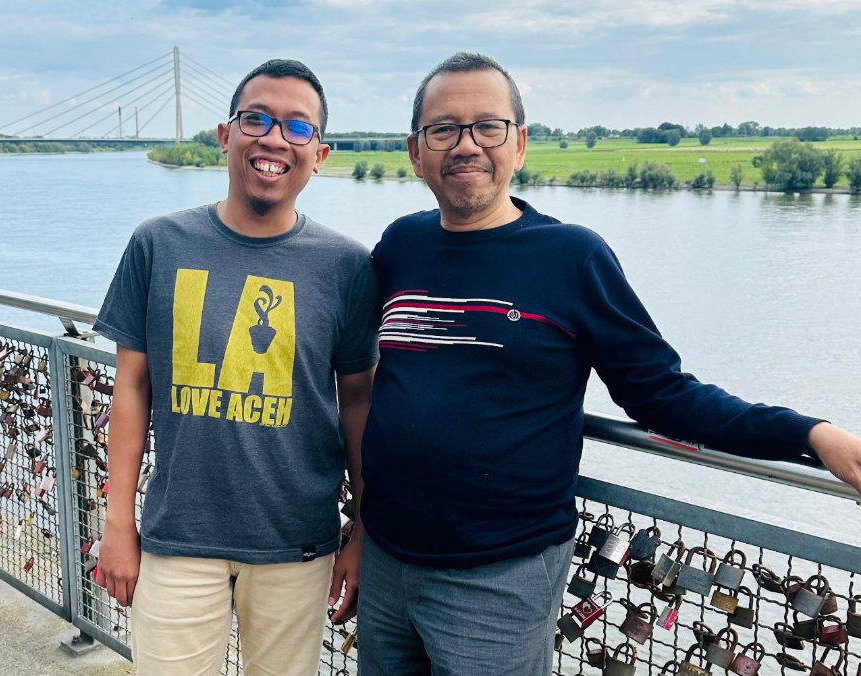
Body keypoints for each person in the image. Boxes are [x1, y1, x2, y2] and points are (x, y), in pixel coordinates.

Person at [356, 51, 861, 676]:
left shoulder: (571, 257)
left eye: (488, 126)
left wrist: (808, 433)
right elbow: (356, 362)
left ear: (520, 144)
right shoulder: (402, 244)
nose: (466, 145)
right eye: (444, 129)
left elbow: (662, 396)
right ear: (415, 150)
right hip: (383, 558)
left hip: (498, 578)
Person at [92, 59, 377, 676]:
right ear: (225, 135)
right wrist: (118, 525)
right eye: (257, 119)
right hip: (177, 535)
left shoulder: (347, 267)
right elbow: (131, 389)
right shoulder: (158, 244)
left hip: (297, 543)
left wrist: (363, 530)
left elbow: (358, 402)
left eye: (297, 128)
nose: (275, 139)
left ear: (319, 153)